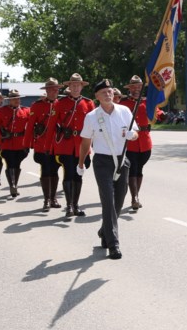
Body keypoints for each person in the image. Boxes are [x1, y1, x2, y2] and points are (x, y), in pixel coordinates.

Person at [78, 79, 138, 260]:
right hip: (102, 162)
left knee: (119, 200)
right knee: (108, 201)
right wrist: (81, 163)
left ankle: (105, 230)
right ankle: (113, 245)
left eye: (110, 91)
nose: (108, 93)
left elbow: (135, 133)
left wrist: (131, 135)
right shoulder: (91, 117)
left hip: (122, 160)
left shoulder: (125, 111)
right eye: (103, 92)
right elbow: (86, 142)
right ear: (97, 96)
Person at [53, 73, 95, 218]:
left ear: (82, 87)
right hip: (65, 144)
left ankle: (76, 205)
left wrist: (93, 148)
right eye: (73, 85)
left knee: (78, 175)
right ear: (69, 87)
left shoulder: (89, 104)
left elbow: (94, 127)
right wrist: (50, 146)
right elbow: (53, 125)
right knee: (68, 174)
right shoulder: (60, 103)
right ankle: (69, 205)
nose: (76, 87)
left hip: (82, 145)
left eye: (78, 85)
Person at [26, 78, 62, 211]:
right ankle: (46, 199)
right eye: (52, 89)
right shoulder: (37, 105)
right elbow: (30, 126)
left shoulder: (61, 104)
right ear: (46, 90)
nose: (55, 91)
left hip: (58, 144)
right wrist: (27, 144)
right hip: (42, 144)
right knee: (46, 171)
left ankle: (53, 198)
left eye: (57, 89)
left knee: (55, 171)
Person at [119, 75, 152, 210]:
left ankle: (136, 195)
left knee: (139, 169)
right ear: (130, 88)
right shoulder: (123, 103)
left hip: (145, 141)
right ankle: (135, 198)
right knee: (132, 169)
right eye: (134, 87)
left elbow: (156, 112)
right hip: (131, 142)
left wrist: (162, 115)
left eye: (139, 86)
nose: (136, 89)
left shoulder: (148, 102)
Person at [0, 89, 31, 198]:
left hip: (21, 143)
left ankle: (15, 184)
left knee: (17, 164)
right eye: (14, 99)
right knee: (10, 163)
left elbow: (31, 127)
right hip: (7, 143)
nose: (16, 100)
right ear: (9, 100)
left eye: (18, 98)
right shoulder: (2, 111)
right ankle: (12, 185)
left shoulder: (26, 111)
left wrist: (30, 143)